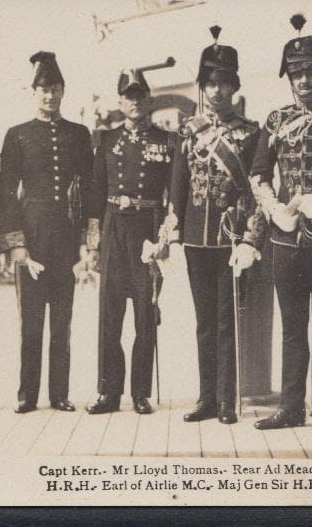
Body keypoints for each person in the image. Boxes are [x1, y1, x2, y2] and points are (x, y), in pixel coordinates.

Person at [250, 15, 312, 433]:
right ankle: (290, 407)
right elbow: (258, 173)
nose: (303, 80)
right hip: (286, 236)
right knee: (292, 326)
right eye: (296, 74)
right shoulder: (275, 120)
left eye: (310, 72)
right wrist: (274, 207)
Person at [170, 26, 263, 425]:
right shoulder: (189, 131)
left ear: (235, 87)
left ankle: (227, 400)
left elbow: (256, 190)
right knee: (204, 323)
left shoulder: (251, 132)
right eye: (210, 83)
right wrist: (174, 234)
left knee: (228, 322)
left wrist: (249, 239)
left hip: (231, 239)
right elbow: (177, 185)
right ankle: (206, 397)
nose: (217, 91)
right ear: (202, 87)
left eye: (224, 83)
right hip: (196, 239)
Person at [0, 51, 94, 414]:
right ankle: (27, 394)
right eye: (43, 89)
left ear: (63, 91)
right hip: (32, 237)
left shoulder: (79, 134)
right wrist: (16, 244)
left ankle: (59, 394)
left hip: (66, 238)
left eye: (55, 89)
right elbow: (7, 194)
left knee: (62, 321)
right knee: (31, 321)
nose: (50, 95)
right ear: (33, 92)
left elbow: (89, 189)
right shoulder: (17, 135)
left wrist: (87, 241)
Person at [85, 70, 177, 415]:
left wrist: (165, 238)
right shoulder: (105, 139)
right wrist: (93, 245)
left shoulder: (167, 140)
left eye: (140, 96)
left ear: (148, 100)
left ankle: (140, 392)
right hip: (113, 227)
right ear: (120, 102)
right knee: (109, 315)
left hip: (148, 229)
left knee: (145, 312)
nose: (135, 102)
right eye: (129, 96)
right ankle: (108, 392)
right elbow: (95, 193)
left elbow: (173, 195)